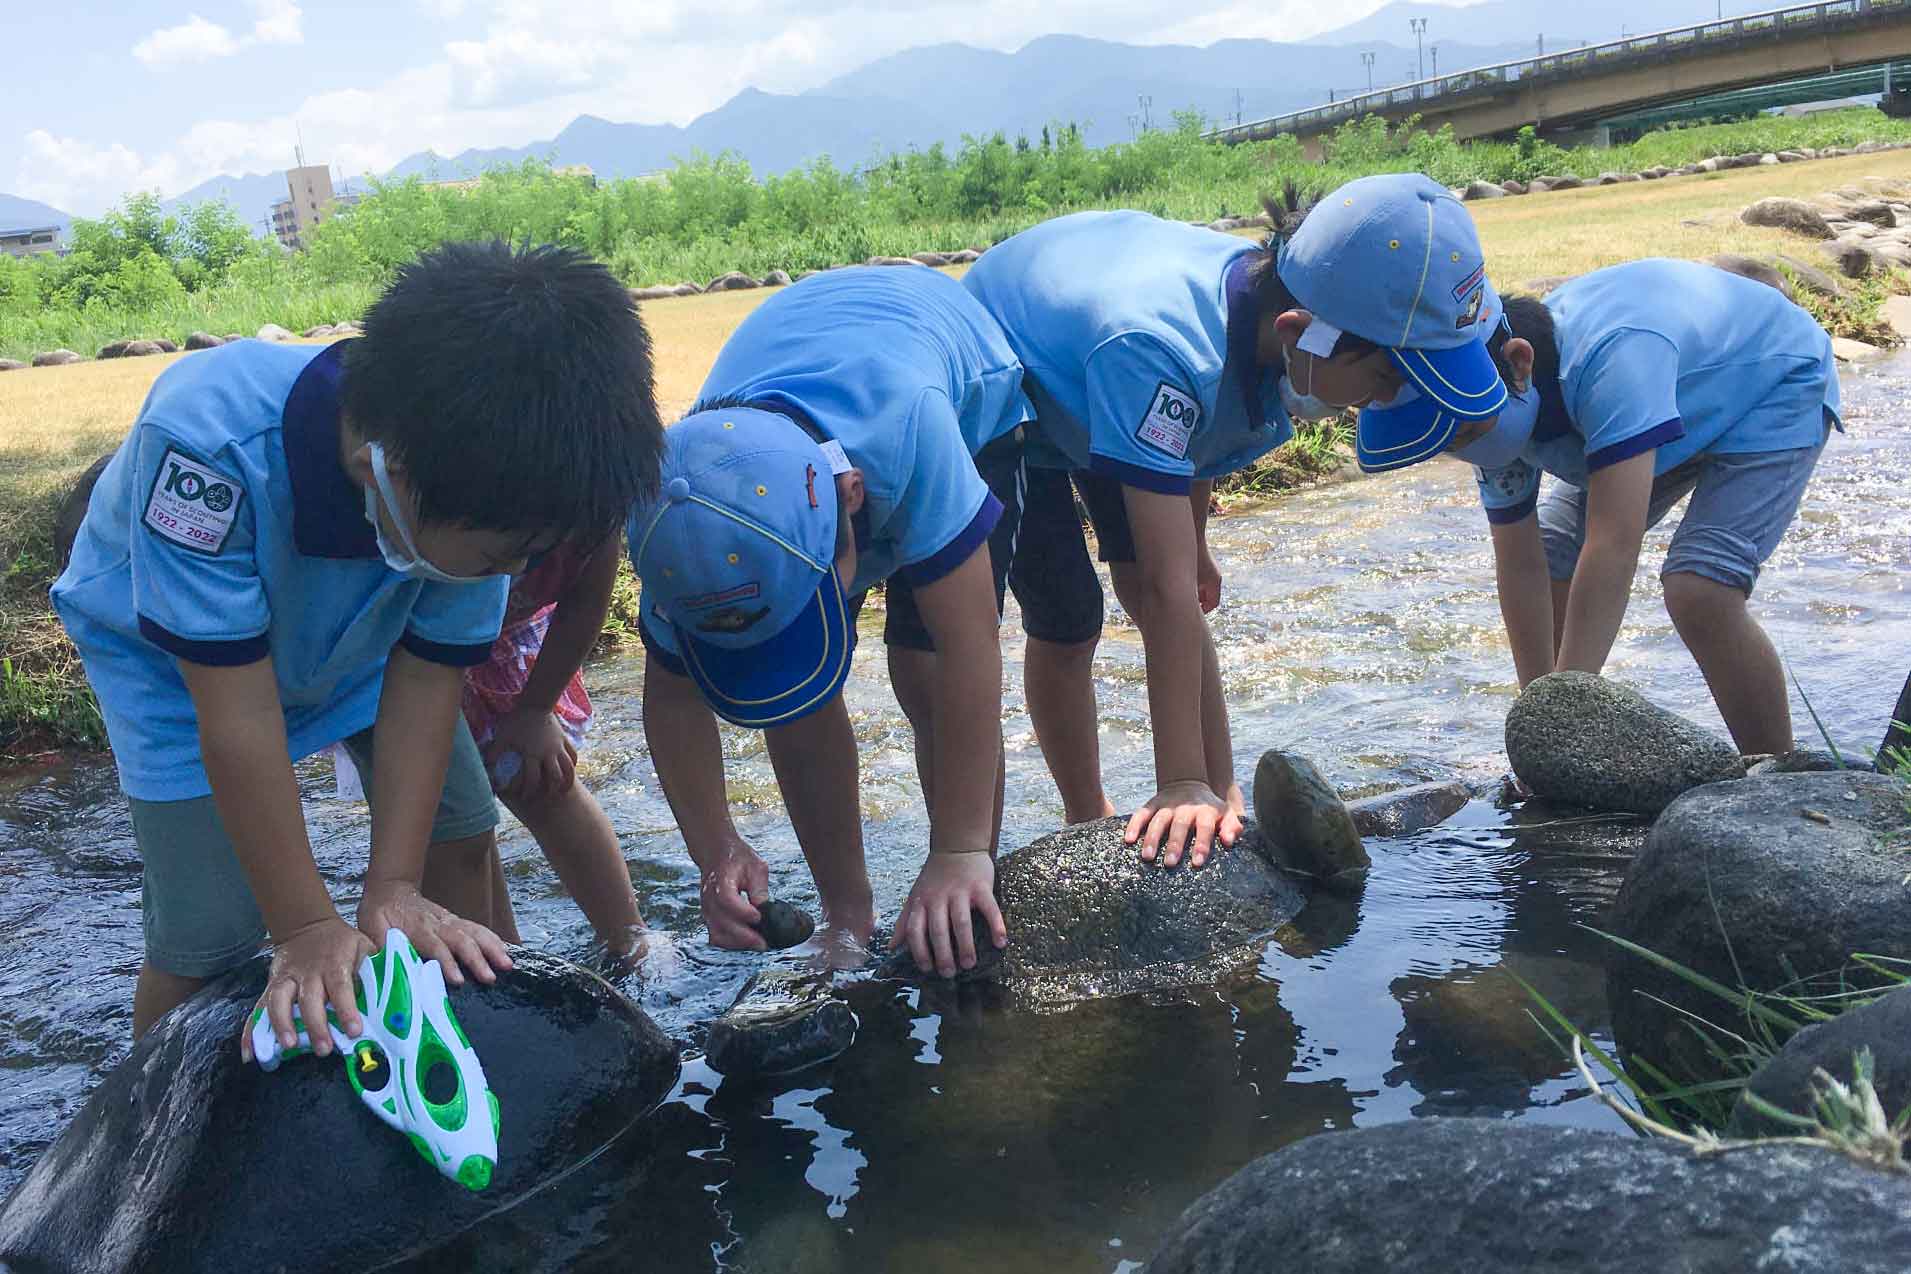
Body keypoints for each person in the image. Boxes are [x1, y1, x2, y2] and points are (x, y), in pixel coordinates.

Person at [51, 240, 663, 1056]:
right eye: (499, 558)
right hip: (172, 670)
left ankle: (490, 1049)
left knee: (461, 827)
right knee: (208, 934)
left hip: (372, 630)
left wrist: (394, 889)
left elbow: (427, 675)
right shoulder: (208, 448)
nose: (513, 575)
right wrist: (305, 924)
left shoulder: (489, 488)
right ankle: (144, 1135)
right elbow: (234, 711)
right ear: (393, 472)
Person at [960, 177, 1498, 870]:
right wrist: (1173, 783)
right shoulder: (1160, 350)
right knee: (1070, 616)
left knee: (1176, 587)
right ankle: (1085, 812)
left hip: (1103, 358)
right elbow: (1161, 581)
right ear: (1301, 335)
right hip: (1015, 384)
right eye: (1388, 381)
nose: (1384, 400)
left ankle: (1221, 787)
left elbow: (1199, 432)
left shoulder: (1270, 305)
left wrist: (1197, 543)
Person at [629, 265, 1030, 978]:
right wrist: (714, 847)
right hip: (783, 435)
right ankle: (849, 911)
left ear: (851, 502)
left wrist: (957, 850)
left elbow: (971, 649)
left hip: (961, 384)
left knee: (927, 671)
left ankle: (969, 880)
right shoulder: (682, 519)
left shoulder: (909, 429)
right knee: (800, 690)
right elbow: (670, 696)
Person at [1348, 257, 1840, 755]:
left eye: (1470, 434)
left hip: (1773, 384)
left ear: (1520, 366)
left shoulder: (1609, 363)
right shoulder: (1478, 403)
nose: (1470, 451)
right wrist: (1536, 723)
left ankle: (1775, 773)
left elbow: (1613, 543)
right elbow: (1522, 564)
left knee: (1700, 589)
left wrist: (1567, 715)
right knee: (1554, 550)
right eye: (1451, 444)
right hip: (1667, 410)